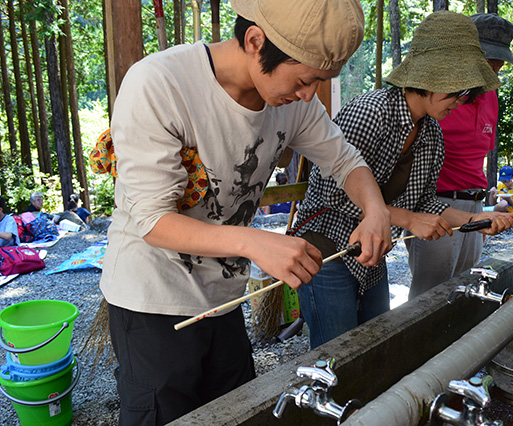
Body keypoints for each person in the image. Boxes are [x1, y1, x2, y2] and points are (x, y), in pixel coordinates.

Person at [99, 0, 392, 424]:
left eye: (320, 82)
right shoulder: (160, 84)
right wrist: (255, 243)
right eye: (305, 80)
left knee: (236, 414)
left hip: (225, 297)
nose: (309, 95)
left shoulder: (294, 101)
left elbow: (345, 161)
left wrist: (375, 209)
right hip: (153, 300)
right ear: (255, 41)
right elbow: (152, 220)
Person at [292, 11, 513, 349]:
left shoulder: (432, 133)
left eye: (468, 93)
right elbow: (331, 194)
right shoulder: (371, 111)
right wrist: (409, 220)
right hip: (327, 250)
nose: (462, 101)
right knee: (336, 353)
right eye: (460, 90)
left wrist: (475, 221)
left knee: (377, 345)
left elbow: (424, 201)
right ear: (433, 77)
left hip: (373, 252)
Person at [405, 12, 513, 299]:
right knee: (430, 294)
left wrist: (482, 209)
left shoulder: (491, 97)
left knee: (465, 288)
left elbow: (479, 153)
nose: (495, 68)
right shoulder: (437, 96)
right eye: (488, 58)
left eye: (500, 61)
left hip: (475, 202)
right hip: (437, 202)